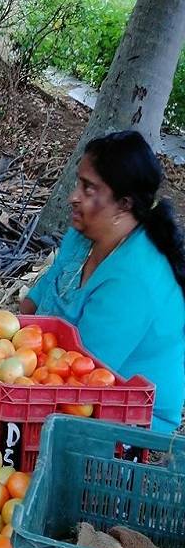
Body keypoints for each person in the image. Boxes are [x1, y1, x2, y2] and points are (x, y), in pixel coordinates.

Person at [21, 130, 185, 432]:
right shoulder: (84, 235)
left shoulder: (134, 281)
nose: (73, 196)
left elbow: (84, 376)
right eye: (78, 183)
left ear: (123, 203)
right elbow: (45, 289)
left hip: (130, 422)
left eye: (88, 188)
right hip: (56, 384)